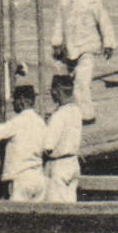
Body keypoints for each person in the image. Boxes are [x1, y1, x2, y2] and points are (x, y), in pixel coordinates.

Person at [51, 0, 117, 124]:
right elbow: (58, 24)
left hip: (88, 47)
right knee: (69, 83)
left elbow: (104, 21)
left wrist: (108, 44)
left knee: (82, 82)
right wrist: (57, 44)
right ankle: (73, 114)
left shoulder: (92, 0)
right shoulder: (64, 1)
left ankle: (87, 116)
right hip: (70, 50)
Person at [0, 84, 47, 202]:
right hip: (38, 177)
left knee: (17, 212)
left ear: (22, 100)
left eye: (15, 100)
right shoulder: (41, 122)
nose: (13, 103)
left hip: (20, 179)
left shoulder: (17, 122)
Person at [42, 74, 82, 203]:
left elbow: (47, 146)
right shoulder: (76, 111)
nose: (51, 95)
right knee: (70, 203)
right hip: (72, 162)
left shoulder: (59, 115)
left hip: (58, 165)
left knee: (55, 206)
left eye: (52, 91)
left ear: (57, 91)